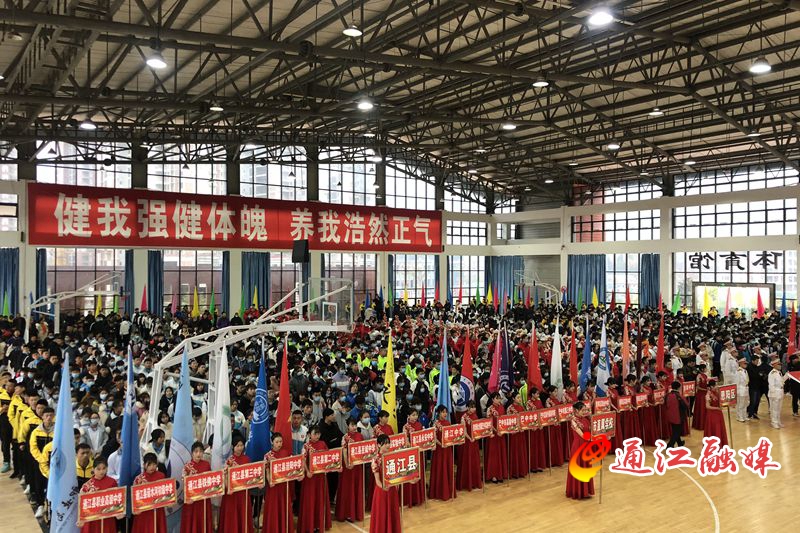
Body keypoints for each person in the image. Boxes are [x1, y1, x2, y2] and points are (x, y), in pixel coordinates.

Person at [298, 426, 331, 533]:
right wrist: (307, 471)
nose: (317, 436)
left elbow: (328, 456)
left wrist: (328, 468)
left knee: (320, 499)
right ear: (309, 435)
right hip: (310, 478)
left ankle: (319, 524)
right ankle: (310, 525)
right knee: (310, 500)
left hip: (321, 476)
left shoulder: (323, 443)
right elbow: (302, 460)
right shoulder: (306, 446)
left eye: (318, 434)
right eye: (315, 434)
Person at [219, 436, 254, 533]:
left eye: (241, 445)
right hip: (232, 494)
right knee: (232, 515)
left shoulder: (247, 459)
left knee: (243, 514)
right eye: (237, 446)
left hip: (243, 493)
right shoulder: (229, 461)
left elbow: (250, 475)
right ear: (233, 447)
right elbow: (225, 476)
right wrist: (228, 487)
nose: (240, 448)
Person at [369, 434, 401, 533]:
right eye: (385, 443)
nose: (388, 445)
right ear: (379, 445)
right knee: (382, 516)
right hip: (382, 492)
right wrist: (383, 487)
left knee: (393, 513)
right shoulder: (375, 460)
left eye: (389, 443)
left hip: (392, 490)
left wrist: (397, 485)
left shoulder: (392, 456)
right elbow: (377, 481)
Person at [263, 433, 295, 533]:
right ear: (272, 442)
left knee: (284, 506)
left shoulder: (286, 453)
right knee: (273, 508)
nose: (279, 444)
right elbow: (267, 471)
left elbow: (292, 466)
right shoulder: (268, 456)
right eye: (277, 442)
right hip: (273, 487)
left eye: (280, 441)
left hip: (284, 485)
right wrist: (270, 481)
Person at [336, 418, 365, 522]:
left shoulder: (360, 436)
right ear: (348, 426)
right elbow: (344, 450)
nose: (354, 427)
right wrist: (347, 463)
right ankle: (346, 513)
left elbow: (363, 449)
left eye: (355, 425)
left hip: (357, 465)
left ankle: (356, 513)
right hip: (348, 466)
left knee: (357, 486)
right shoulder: (345, 437)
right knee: (347, 488)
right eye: (352, 425)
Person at [180, 442, 213, 533]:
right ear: (192, 453)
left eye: (201, 451)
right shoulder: (187, 467)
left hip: (204, 499)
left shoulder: (206, 464)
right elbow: (184, 484)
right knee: (192, 522)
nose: (198, 454)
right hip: (192, 500)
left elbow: (211, 480)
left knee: (204, 521)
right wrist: (188, 478)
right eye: (196, 451)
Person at [79, 458, 118, 533]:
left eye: (104, 468)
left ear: (107, 468)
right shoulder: (87, 485)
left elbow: (117, 499)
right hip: (92, 519)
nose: (101, 471)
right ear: (93, 469)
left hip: (107, 517)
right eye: (98, 469)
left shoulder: (112, 482)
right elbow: (82, 504)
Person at [565, 401, 594, 500]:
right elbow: (582, 435)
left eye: (585, 410)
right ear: (577, 410)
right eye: (583, 410)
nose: (585, 411)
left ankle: (586, 491)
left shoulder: (586, 419)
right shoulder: (573, 421)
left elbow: (591, 430)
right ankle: (577, 491)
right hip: (578, 446)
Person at [132, 453, 167, 533]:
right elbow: (134, 498)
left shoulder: (161, 476)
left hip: (158, 510)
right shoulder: (139, 478)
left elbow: (165, 493)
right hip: (144, 512)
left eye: (154, 464)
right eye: (149, 465)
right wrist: (139, 486)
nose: (152, 467)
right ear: (144, 465)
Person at [429, 404, 455, 501]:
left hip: (447, 450)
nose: (445, 414)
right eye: (443, 412)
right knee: (440, 468)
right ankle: (439, 492)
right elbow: (433, 437)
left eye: (446, 412)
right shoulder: (435, 424)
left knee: (448, 468)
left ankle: (448, 491)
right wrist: (441, 444)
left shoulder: (448, 423)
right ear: (438, 413)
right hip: (439, 450)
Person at [401, 408, 425, 507]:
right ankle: (410, 499)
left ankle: (419, 497)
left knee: (419, 473)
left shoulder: (419, 425)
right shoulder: (405, 427)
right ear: (408, 416)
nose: (415, 417)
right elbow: (405, 441)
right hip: (411, 454)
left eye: (416, 415)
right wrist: (412, 446)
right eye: (413, 415)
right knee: (411, 474)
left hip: (420, 452)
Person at [456, 400, 482, 491]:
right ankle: (466, 483)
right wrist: (470, 438)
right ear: (467, 407)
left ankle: (475, 482)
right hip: (467, 442)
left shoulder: (475, 416)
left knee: (475, 461)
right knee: (467, 461)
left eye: (474, 407)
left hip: (474, 441)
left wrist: (477, 436)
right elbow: (464, 431)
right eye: (471, 407)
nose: (473, 409)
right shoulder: (463, 417)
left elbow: (478, 428)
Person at [484, 392, 508, 482]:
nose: (498, 400)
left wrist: (502, 430)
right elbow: (489, 423)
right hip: (493, 435)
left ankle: (501, 473)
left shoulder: (502, 407)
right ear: (492, 399)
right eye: (497, 398)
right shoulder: (490, 409)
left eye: (499, 398)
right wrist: (496, 431)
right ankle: (493, 475)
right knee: (493, 455)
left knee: (501, 453)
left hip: (501, 434)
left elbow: (504, 420)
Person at [505, 391, 529, 478]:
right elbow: (508, 421)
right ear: (513, 398)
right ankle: (514, 471)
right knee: (514, 451)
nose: (520, 399)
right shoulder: (510, 408)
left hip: (521, 433)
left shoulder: (522, 407)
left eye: (520, 397)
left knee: (521, 450)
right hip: (514, 434)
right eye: (518, 397)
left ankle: (522, 470)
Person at [525, 388, 547, 472]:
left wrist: (542, 423)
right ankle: (532, 466)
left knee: (539, 445)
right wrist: (533, 425)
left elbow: (542, 412)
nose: (538, 395)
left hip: (539, 426)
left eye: (538, 393)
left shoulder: (539, 401)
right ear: (532, 394)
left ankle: (539, 464)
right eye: (537, 393)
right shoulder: (528, 403)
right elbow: (528, 415)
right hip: (532, 428)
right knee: (533, 446)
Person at [704, 380, 728, 446]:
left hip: (719, 414)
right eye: (715, 385)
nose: (717, 386)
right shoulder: (708, 394)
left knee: (720, 429)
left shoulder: (717, 392)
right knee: (715, 429)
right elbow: (707, 406)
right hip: (712, 415)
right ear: (712, 386)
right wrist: (717, 408)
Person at [665, 381, 689, 448]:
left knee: (675, 430)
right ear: (679, 388)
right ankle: (670, 445)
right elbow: (686, 405)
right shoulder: (679, 396)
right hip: (678, 416)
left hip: (670, 416)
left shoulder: (667, 395)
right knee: (677, 432)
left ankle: (680, 443)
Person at [768, 358, 787, 429]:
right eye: (778, 364)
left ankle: (778, 421)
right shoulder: (772, 373)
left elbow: (781, 382)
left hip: (780, 392)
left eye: (780, 364)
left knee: (779, 409)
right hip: (775, 393)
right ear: (774, 365)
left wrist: (786, 376)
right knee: (774, 409)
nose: (780, 365)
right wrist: (773, 394)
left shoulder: (779, 373)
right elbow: (771, 385)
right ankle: (774, 422)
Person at [691, 364, 709, 430]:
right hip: (700, 395)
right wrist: (705, 389)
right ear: (702, 369)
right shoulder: (698, 376)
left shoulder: (705, 375)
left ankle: (705, 424)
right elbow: (697, 387)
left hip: (705, 393)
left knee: (705, 409)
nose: (706, 369)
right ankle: (700, 424)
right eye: (705, 368)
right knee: (701, 409)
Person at [735, 358, 750, 423]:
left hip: (745, 388)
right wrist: (737, 391)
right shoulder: (738, 371)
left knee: (745, 403)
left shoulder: (745, 371)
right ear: (740, 364)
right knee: (740, 404)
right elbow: (737, 382)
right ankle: (739, 416)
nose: (746, 364)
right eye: (744, 363)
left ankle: (744, 415)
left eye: (746, 363)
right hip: (740, 389)